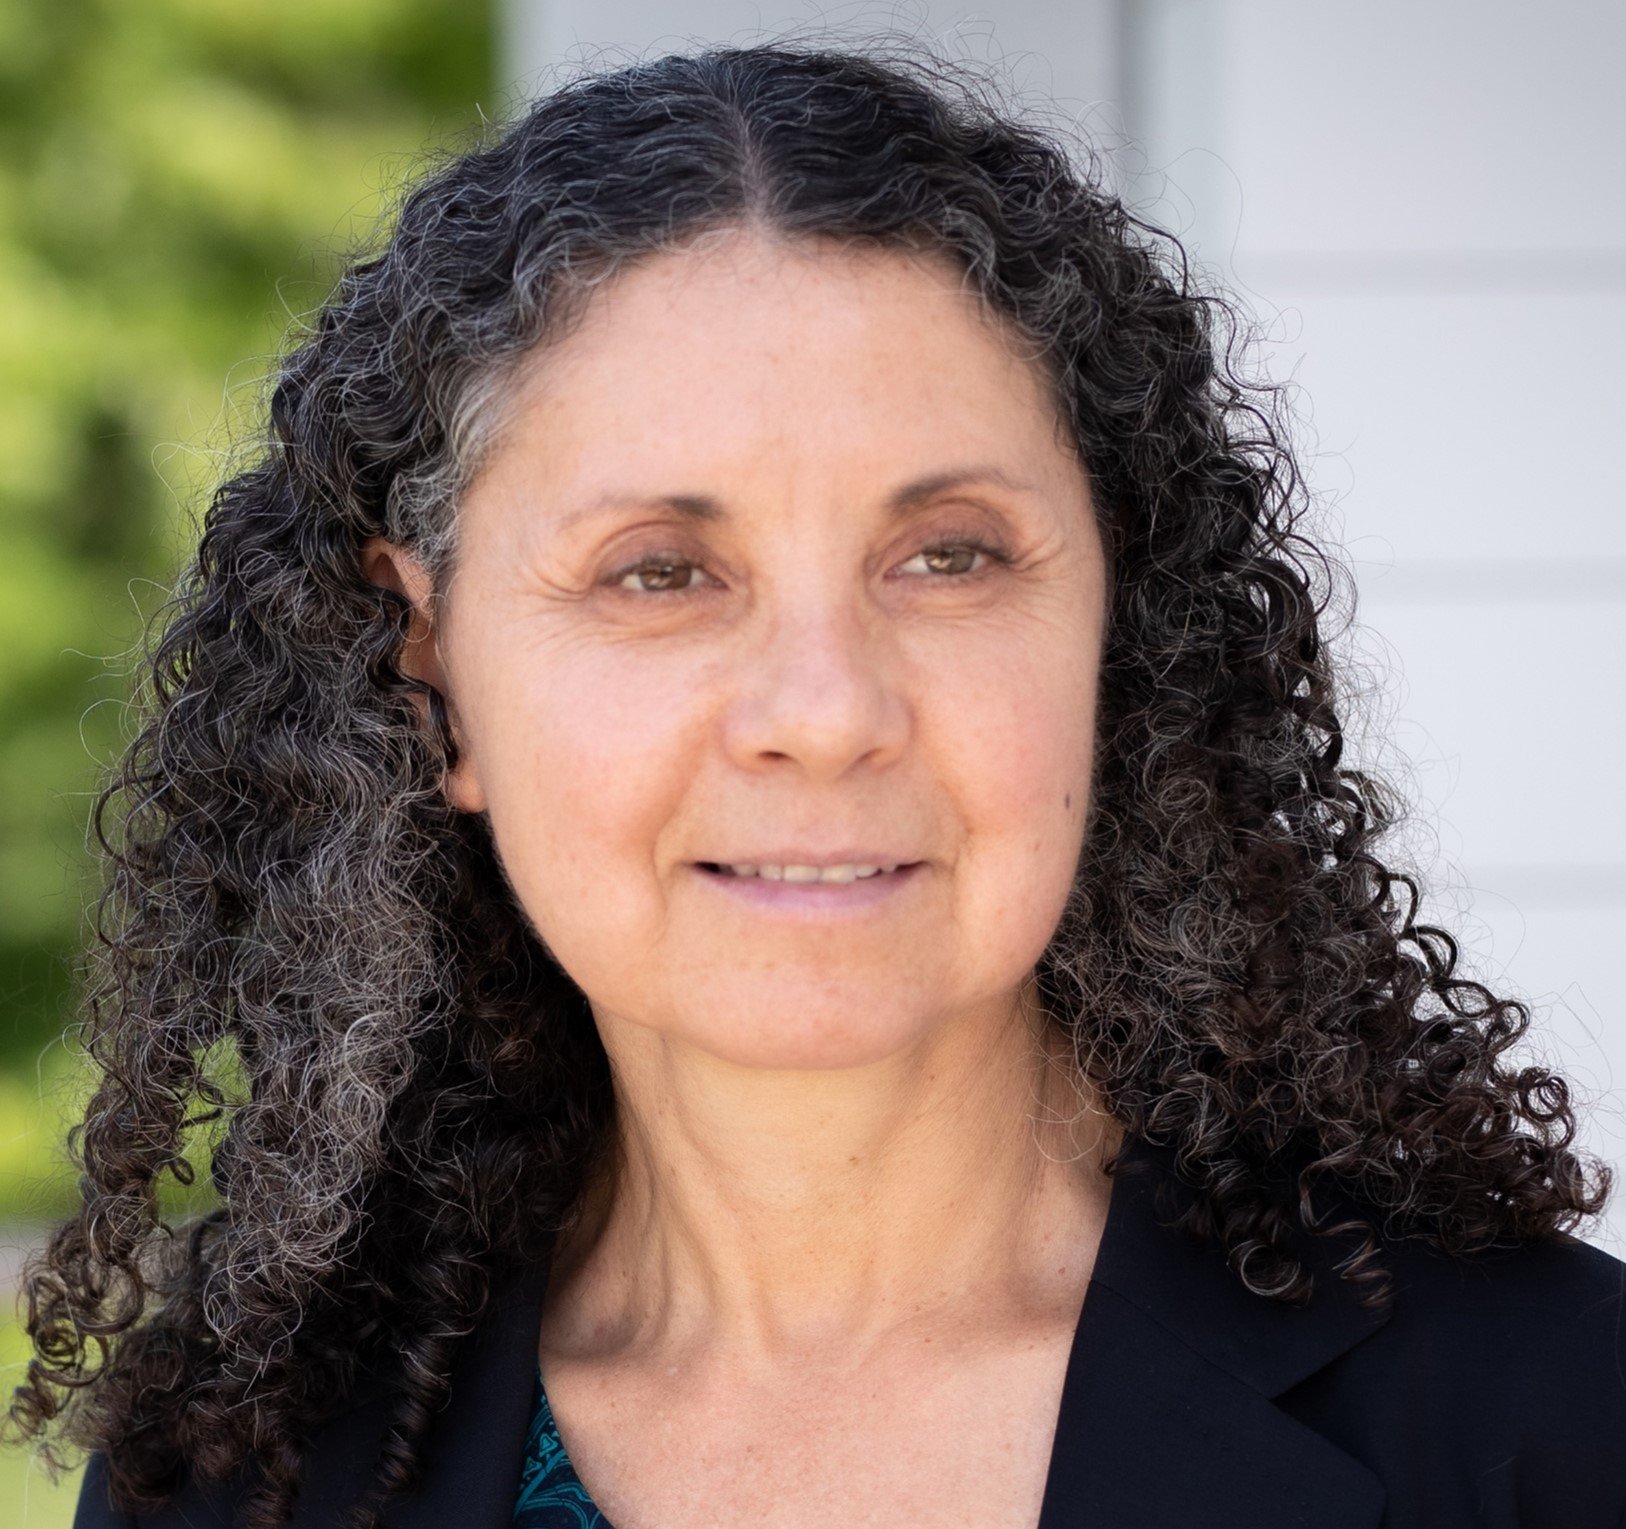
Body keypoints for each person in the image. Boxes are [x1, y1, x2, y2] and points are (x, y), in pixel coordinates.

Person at [7, 38, 1622, 1529]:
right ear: (432, 678)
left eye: (946, 555)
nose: (823, 712)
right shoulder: (236, 1475)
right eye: (658, 572)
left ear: (1115, 625)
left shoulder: (1554, 1423)